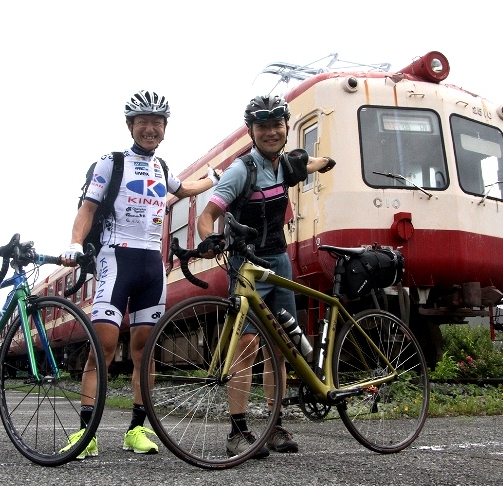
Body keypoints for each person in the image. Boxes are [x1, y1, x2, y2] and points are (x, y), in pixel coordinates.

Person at [60, 90, 220, 459]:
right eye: (143, 122)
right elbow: (87, 209)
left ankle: (137, 430)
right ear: (130, 126)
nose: (150, 128)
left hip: (152, 265)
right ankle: (85, 434)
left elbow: (184, 188)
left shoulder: (162, 168)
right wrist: (73, 242)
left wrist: (211, 180)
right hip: (116, 259)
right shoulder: (111, 163)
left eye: (157, 122)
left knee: (144, 352)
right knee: (101, 348)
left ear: (164, 128)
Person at [196, 94, 335, 458]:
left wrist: (328, 162)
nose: (271, 132)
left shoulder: (285, 165)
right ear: (252, 131)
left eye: (277, 124)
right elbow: (207, 216)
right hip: (247, 267)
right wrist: (209, 238)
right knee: (246, 347)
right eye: (263, 126)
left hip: (279, 262)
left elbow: (311, 164)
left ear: (287, 127)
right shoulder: (242, 170)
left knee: (282, 348)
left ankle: (275, 427)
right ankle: (237, 432)